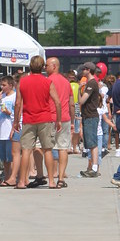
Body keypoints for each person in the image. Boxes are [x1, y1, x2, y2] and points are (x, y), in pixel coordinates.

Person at [13, 54, 62, 189]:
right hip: (45, 118)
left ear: (30, 66)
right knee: (47, 149)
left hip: (28, 119)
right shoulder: (47, 82)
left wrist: (16, 121)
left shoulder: (22, 82)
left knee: (26, 150)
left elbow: (18, 103)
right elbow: (57, 102)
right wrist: (58, 119)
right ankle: (51, 181)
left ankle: (22, 181)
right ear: (42, 67)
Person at [46, 56, 74, 187]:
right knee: (63, 148)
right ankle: (61, 178)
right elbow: (72, 103)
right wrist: (72, 120)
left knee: (48, 148)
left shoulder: (47, 81)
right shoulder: (66, 82)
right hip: (65, 118)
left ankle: (51, 177)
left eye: (46, 66)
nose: (45, 68)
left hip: (50, 118)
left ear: (54, 66)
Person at [79, 61, 101, 178]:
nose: (83, 71)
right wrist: (79, 90)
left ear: (88, 70)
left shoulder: (92, 83)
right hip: (88, 115)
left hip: (91, 115)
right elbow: (80, 101)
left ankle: (94, 168)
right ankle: (93, 167)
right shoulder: (89, 83)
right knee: (90, 142)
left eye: (84, 69)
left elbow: (82, 101)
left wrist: (81, 91)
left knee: (92, 142)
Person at [0, 75, 16, 185]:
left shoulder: (14, 97)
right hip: (2, 131)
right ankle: (7, 176)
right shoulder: (2, 97)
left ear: (11, 86)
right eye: (1, 85)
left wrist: (9, 113)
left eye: (4, 85)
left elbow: (18, 114)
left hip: (10, 129)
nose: (2, 87)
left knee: (11, 156)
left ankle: (12, 176)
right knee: (4, 158)